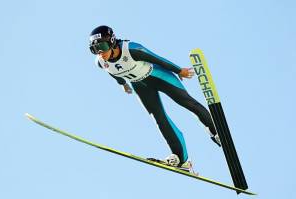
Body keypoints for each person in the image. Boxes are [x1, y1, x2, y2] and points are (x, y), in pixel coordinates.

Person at [89, 25, 221, 171]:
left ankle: (216, 132)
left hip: (159, 76)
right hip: (140, 86)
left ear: (112, 41)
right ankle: (181, 159)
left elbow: (158, 59)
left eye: (102, 46)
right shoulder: (101, 62)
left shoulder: (132, 49)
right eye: (95, 49)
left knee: (187, 103)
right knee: (158, 118)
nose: (100, 53)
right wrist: (123, 84)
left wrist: (179, 70)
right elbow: (112, 72)